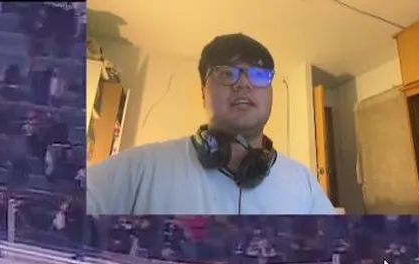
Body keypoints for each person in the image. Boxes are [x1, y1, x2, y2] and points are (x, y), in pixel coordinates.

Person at [86, 34, 335, 216]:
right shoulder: (141, 168)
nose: (243, 84)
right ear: (203, 92)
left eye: (259, 75)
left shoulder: (303, 183)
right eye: (226, 73)